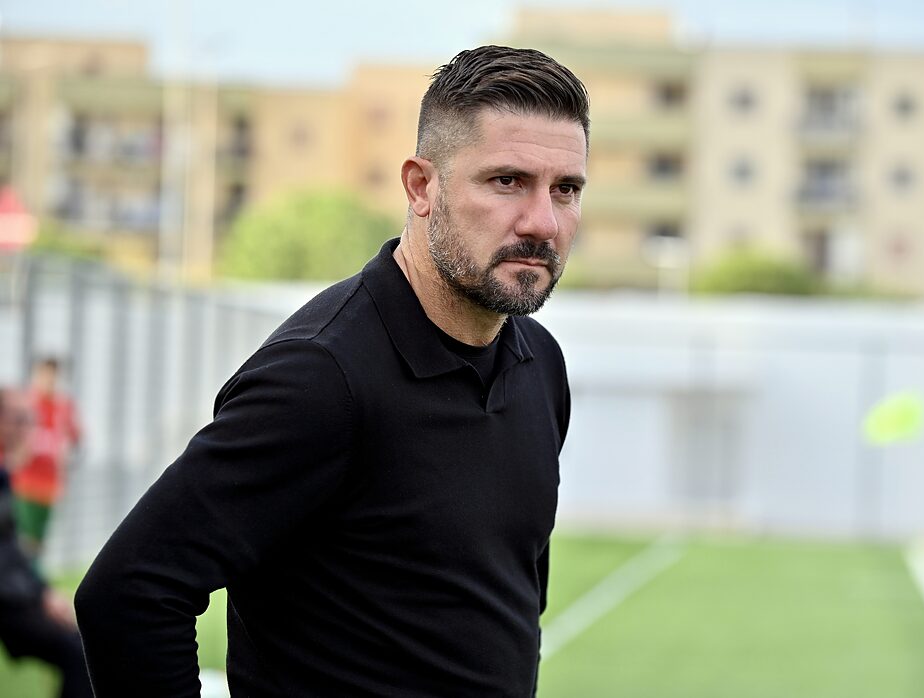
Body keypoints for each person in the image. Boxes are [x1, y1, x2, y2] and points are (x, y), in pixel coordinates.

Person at [75, 44, 588, 696]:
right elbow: (129, 593)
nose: (542, 222)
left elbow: (504, 607)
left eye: (566, 189)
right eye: (507, 181)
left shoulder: (539, 363)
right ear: (421, 186)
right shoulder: (322, 376)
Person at [0, 388, 91, 698]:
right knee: (79, 653)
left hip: (14, 593)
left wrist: (43, 592)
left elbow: (13, 548)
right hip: (9, 599)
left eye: (32, 420)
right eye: (22, 420)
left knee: (80, 645)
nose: (30, 430)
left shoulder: (7, 476)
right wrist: (40, 596)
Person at [10, 357, 82, 565]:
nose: (49, 380)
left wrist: (66, 455)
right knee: (25, 538)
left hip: (50, 484)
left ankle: (30, 576)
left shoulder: (63, 407)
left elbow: (76, 437)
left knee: (39, 540)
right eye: (44, 375)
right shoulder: (26, 404)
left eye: (53, 376)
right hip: (24, 482)